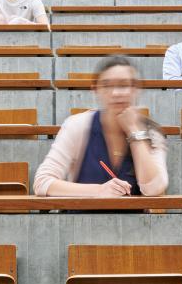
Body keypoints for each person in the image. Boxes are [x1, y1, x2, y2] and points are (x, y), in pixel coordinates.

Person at [34, 56, 167, 197]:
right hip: (83, 211)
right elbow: (42, 182)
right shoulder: (77, 125)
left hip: (135, 213)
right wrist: (99, 190)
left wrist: (134, 131)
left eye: (123, 85)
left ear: (135, 89)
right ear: (95, 90)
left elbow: (154, 189)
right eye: (107, 86)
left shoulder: (151, 132)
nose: (116, 93)